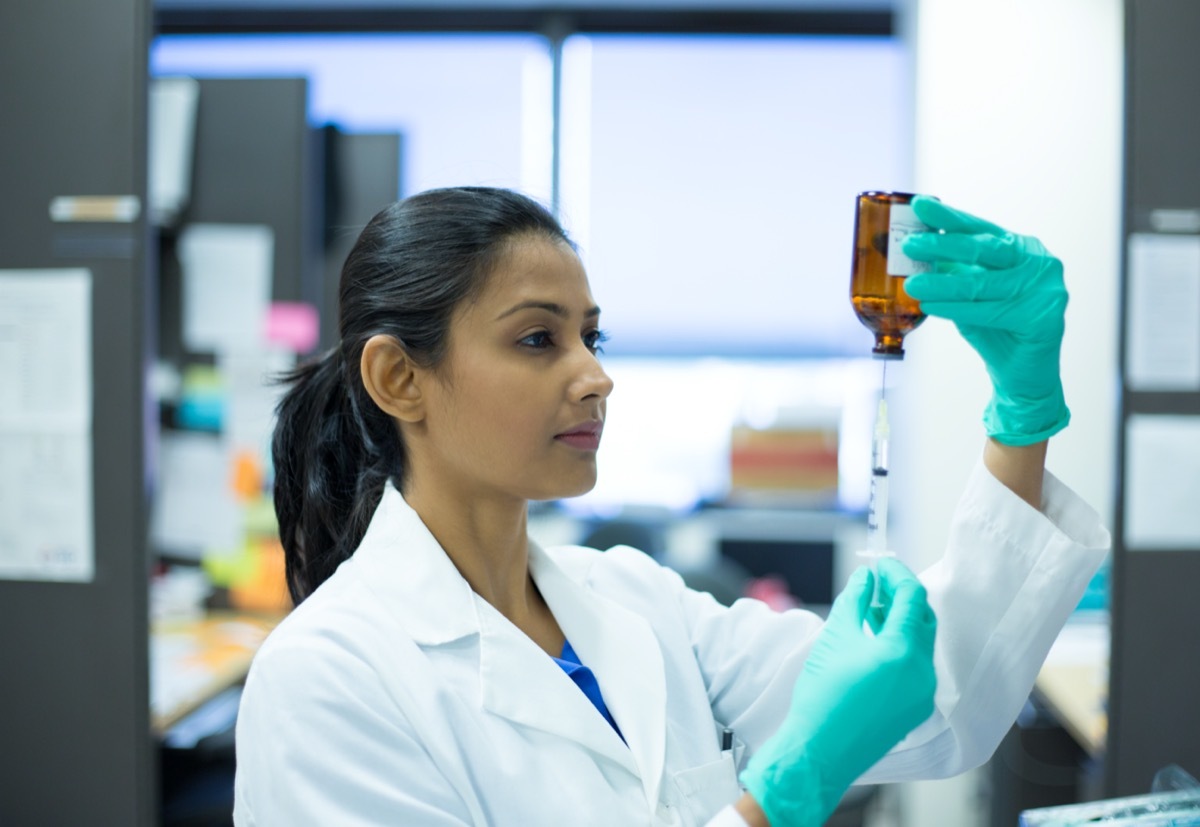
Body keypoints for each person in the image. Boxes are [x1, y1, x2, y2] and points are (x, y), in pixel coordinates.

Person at [233, 187, 1109, 826]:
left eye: (592, 335)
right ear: (399, 378)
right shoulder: (327, 680)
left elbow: (936, 702)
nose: (595, 374)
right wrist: (786, 790)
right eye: (539, 338)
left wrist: (1021, 413)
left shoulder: (633, 602)